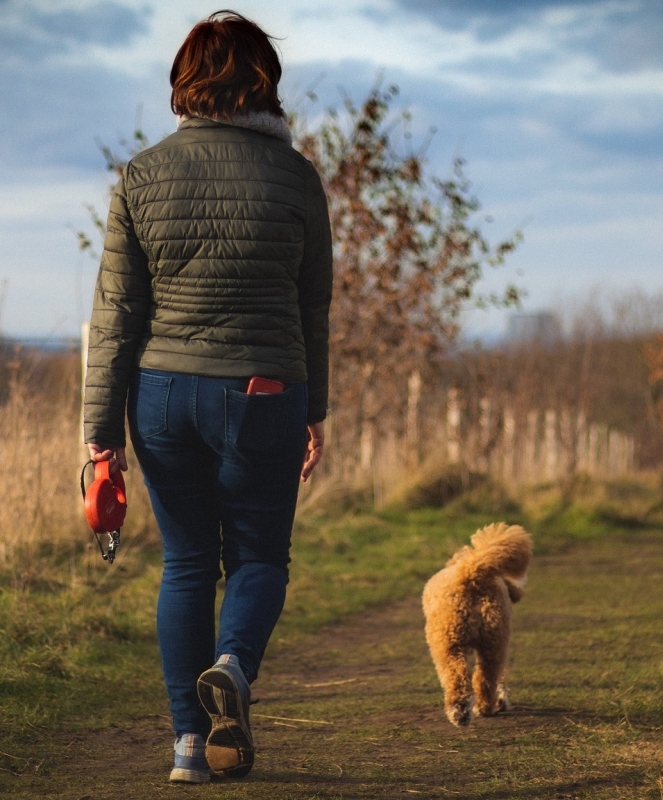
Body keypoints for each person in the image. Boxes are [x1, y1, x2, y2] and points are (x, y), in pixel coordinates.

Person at [82, 10, 333, 783]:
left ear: (185, 84)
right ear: (265, 84)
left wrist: (100, 432)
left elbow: (116, 311)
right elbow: (312, 304)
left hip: (159, 396)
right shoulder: (296, 177)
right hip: (262, 391)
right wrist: (314, 407)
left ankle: (190, 745)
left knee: (187, 563)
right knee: (258, 556)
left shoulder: (142, 174)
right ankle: (233, 664)